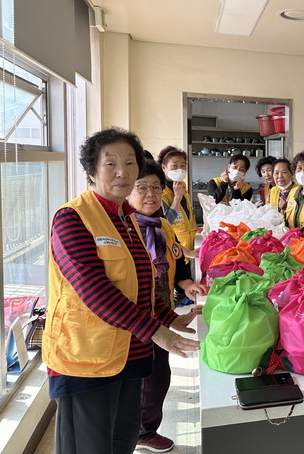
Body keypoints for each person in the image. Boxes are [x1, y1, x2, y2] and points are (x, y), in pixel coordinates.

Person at [43, 127, 200, 454]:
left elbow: (138, 285)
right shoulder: (73, 218)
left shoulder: (126, 219)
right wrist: (158, 332)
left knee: (122, 440)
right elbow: (94, 290)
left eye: (130, 163)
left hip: (128, 352)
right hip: (86, 358)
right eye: (110, 163)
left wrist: (169, 317)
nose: (122, 172)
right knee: (89, 446)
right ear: (91, 170)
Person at [128, 159, 208, 452]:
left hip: (161, 311)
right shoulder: (125, 230)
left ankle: (144, 429)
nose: (150, 194)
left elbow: (178, 265)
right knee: (145, 376)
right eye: (142, 188)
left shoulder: (162, 225)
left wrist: (187, 285)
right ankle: (141, 432)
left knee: (158, 374)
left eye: (155, 188)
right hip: (133, 318)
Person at [158, 146, 197, 255]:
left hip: (189, 244)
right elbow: (166, 223)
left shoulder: (182, 185)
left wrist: (193, 228)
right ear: (164, 167)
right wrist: (177, 197)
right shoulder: (160, 191)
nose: (179, 170)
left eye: (183, 166)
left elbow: (186, 212)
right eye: (174, 166)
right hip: (174, 248)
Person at [269, 158, 297, 227]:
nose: (280, 176)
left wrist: (287, 208)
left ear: (291, 173)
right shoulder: (273, 190)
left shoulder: (299, 191)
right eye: (276, 173)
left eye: (284, 172)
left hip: (294, 229)